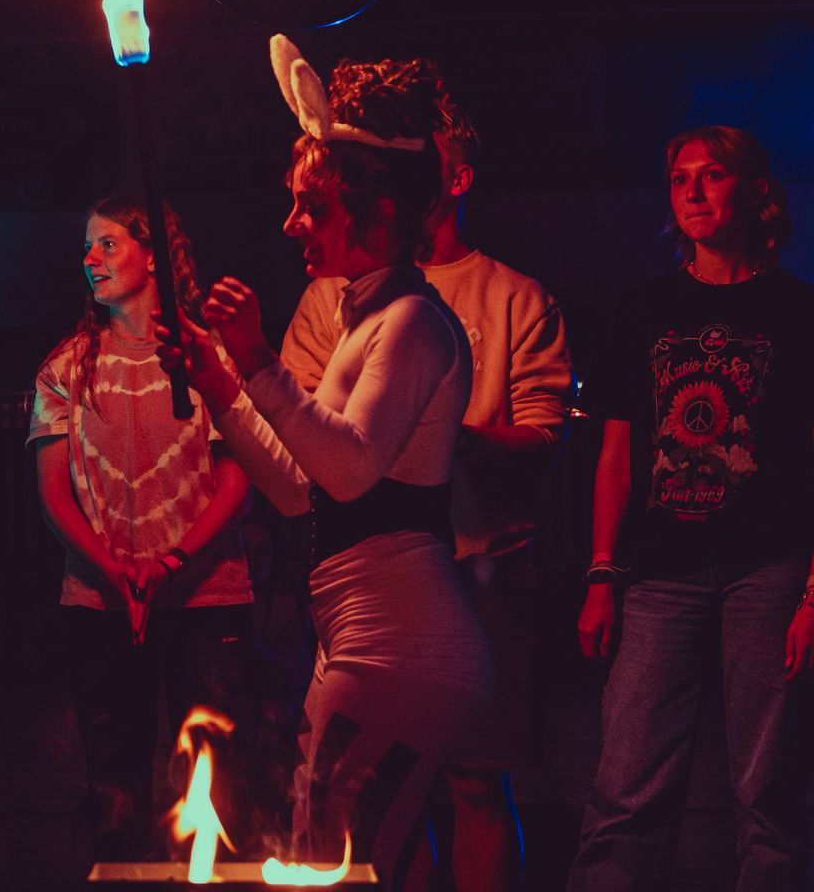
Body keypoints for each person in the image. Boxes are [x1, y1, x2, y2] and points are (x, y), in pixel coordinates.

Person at [168, 37, 494, 890]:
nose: (291, 226)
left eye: (312, 207)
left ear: (378, 214)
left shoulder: (413, 325)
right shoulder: (363, 322)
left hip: (400, 654)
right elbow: (297, 485)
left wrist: (263, 363)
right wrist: (222, 381)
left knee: (326, 865)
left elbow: (347, 470)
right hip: (366, 644)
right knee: (368, 867)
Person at [280, 58, 571, 892]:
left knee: (476, 782)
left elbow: (540, 439)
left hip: (479, 567)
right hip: (370, 583)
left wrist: (437, 431)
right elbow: (313, 428)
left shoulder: (513, 298)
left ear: (447, 176)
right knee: (378, 801)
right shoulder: (334, 297)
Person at [568, 126, 814, 892]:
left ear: (753, 191)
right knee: (626, 787)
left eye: (713, 176)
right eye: (680, 179)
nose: (695, 191)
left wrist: (812, 591)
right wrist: (602, 572)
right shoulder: (644, 309)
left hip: (769, 570)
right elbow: (617, 454)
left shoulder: (797, 311)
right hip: (659, 570)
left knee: (768, 791)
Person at [28, 193, 254, 861]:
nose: (90, 258)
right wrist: (114, 568)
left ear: (152, 253)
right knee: (113, 793)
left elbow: (239, 480)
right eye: (87, 246)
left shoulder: (208, 357)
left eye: (108, 244)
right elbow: (53, 492)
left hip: (206, 599)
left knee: (213, 797)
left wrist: (170, 562)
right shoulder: (65, 367)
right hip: (101, 602)